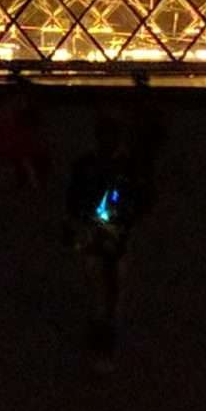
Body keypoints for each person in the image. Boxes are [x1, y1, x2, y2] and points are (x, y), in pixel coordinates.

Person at [66, 115, 148, 370]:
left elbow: (72, 201)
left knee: (104, 293)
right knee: (107, 293)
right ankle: (103, 348)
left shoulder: (91, 165)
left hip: (103, 232)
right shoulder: (124, 167)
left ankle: (100, 346)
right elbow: (141, 200)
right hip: (109, 233)